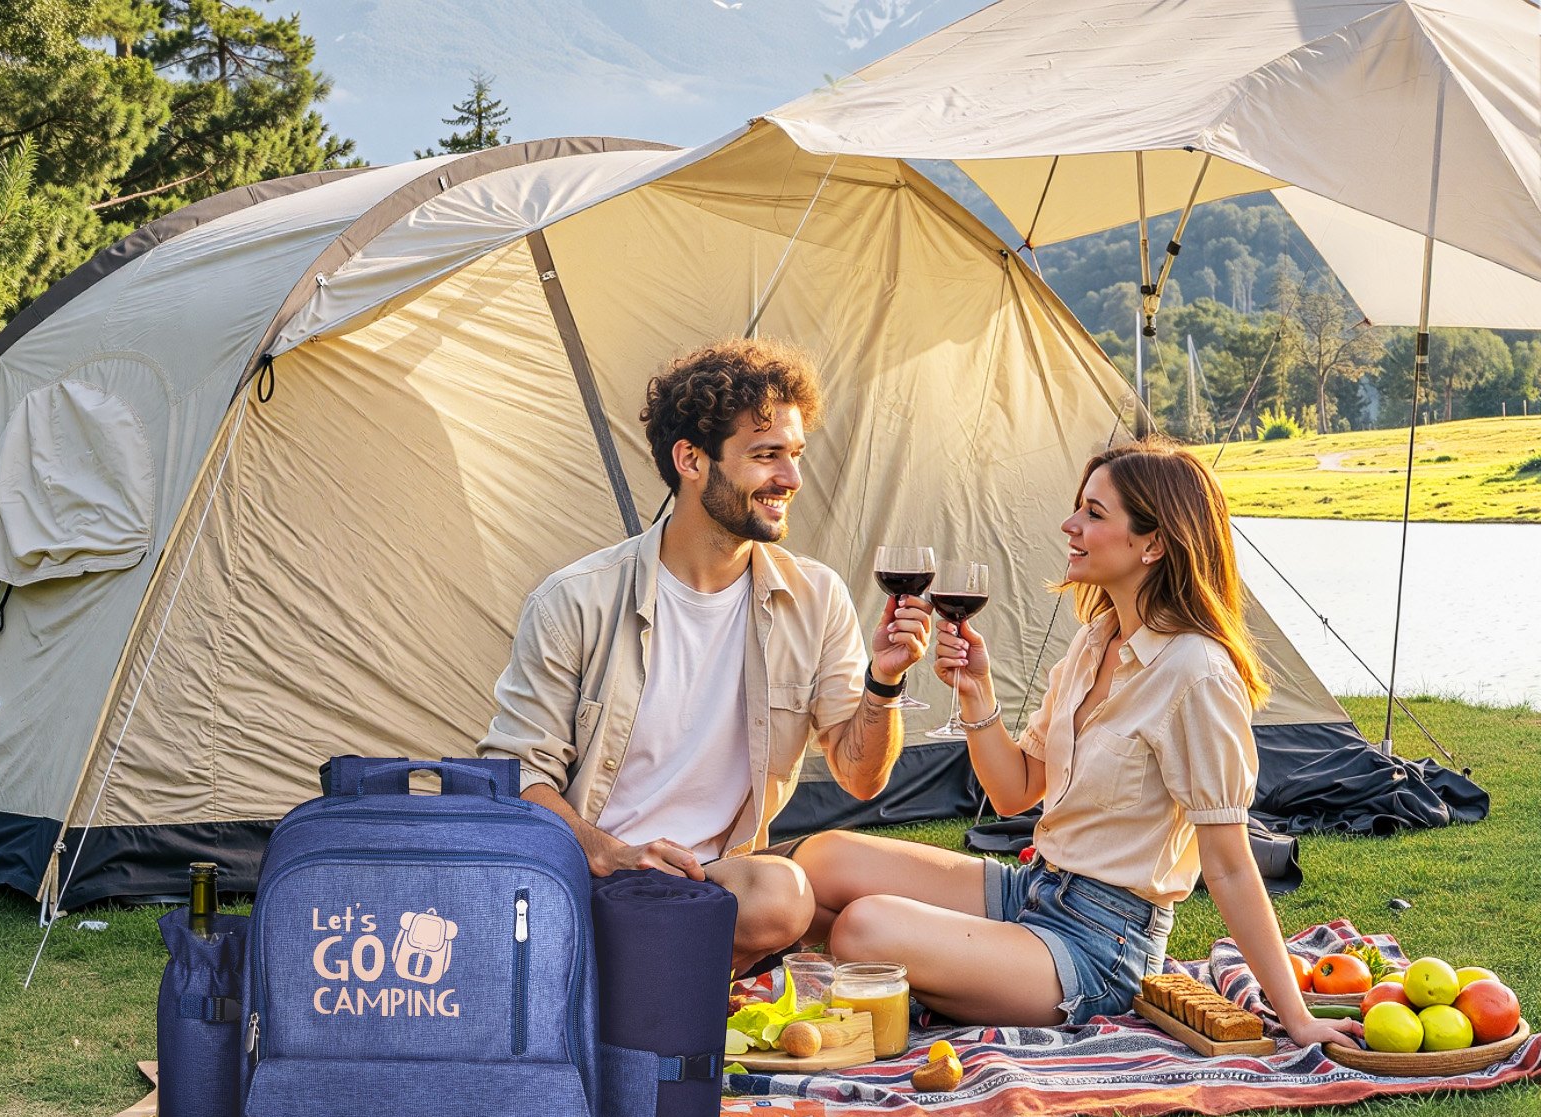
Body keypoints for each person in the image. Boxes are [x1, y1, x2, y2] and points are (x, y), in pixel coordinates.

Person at [794, 440, 1363, 1051]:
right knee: (821, 862)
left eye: (1094, 513)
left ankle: (936, 977)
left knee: (864, 929)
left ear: (1153, 543)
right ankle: (943, 976)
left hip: (1102, 944)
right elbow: (1015, 792)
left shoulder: (1197, 673)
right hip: (1034, 886)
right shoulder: (1096, 641)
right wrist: (976, 692)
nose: (1070, 525)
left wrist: (1296, 1017)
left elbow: (1227, 863)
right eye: (1078, 509)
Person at [478, 338, 931, 973]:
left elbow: (862, 777)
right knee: (785, 899)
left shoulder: (816, 596)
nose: (792, 479)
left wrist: (885, 682)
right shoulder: (575, 601)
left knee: (858, 891)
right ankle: (668, 988)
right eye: (766, 456)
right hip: (600, 879)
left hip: (720, 880)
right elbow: (514, 778)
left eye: (796, 456)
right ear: (691, 459)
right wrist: (610, 853)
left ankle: (653, 979)